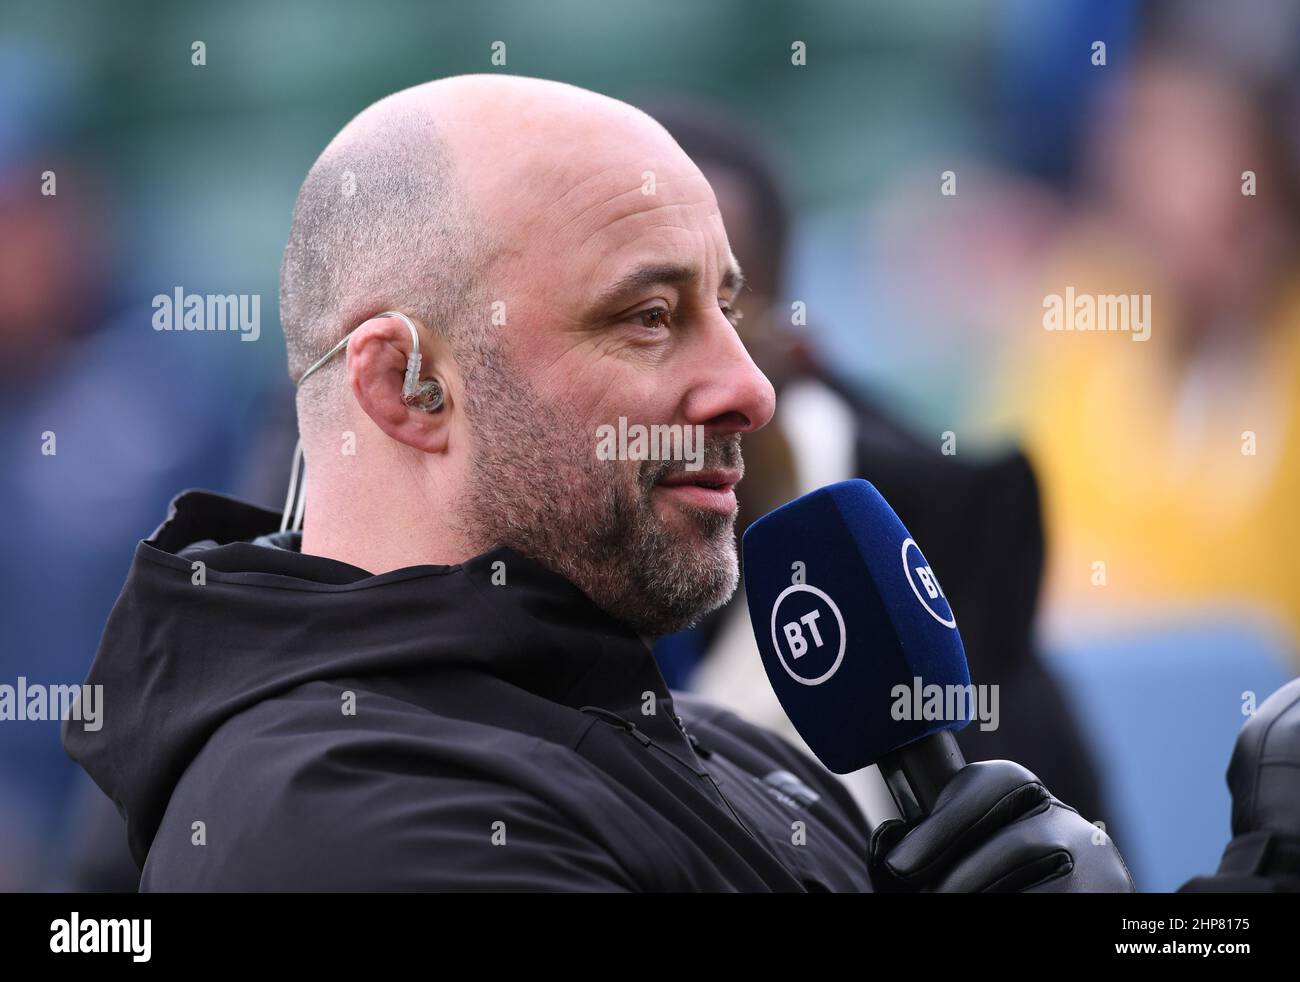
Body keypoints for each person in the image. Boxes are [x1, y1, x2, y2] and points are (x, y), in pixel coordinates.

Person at [64, 74, 1133, 892]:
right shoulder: (345, 816)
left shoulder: (706, 737)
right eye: (649, 317)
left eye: (730, 306)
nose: (751, 389)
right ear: (406, 385)